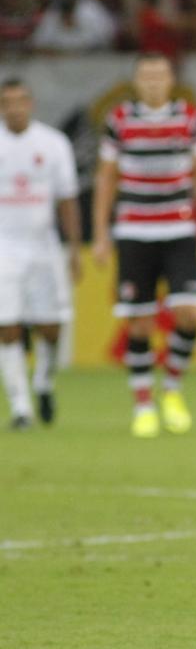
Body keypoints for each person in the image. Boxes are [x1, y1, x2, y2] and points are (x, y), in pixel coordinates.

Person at [92, 53, 196, 439]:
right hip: (134, 231)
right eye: (146, 75)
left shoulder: (188, 118)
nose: (152, 82)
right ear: (136, 80)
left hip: (179, 229)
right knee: (141, 322)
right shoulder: (119, 121)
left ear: (170, 79)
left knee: (189, 314)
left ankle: (173, 389)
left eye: (159, 75)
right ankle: (144, 405)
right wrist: (100, 234)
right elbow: (105, 179)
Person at [0, 78, 82, 430]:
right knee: (7, 327)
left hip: (44, 247)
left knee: (51, 328)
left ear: (30, 104)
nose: (15, 107)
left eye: (20, 100)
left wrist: (75, 247)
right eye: (8, 102)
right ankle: (20, 408)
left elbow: (67, 198)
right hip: (4, 248)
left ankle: (44, 383)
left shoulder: (53, 144)